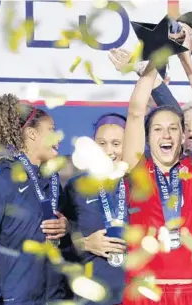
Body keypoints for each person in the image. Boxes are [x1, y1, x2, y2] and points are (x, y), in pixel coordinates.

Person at [122, 23, 192, 305]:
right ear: (147, 138)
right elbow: (137, 112)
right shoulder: (135, 169)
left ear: (183, 135)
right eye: (158, 129)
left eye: (173, 129)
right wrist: (155, 58)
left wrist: (185, 58)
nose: (166, 134)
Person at [0, 94, 69, 304]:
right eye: (51, 130)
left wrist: (66, 228)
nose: (59, 137)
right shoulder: (0, 180)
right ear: (32, 134)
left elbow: (65, 244)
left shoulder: (53, 181)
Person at [60, 113, 129, 305]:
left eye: (116, 143)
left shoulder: (141, 184)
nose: (109, 151)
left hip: (137, 295)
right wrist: (84, 244)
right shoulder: (76, 187)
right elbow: (60, 243)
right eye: (102, 143)